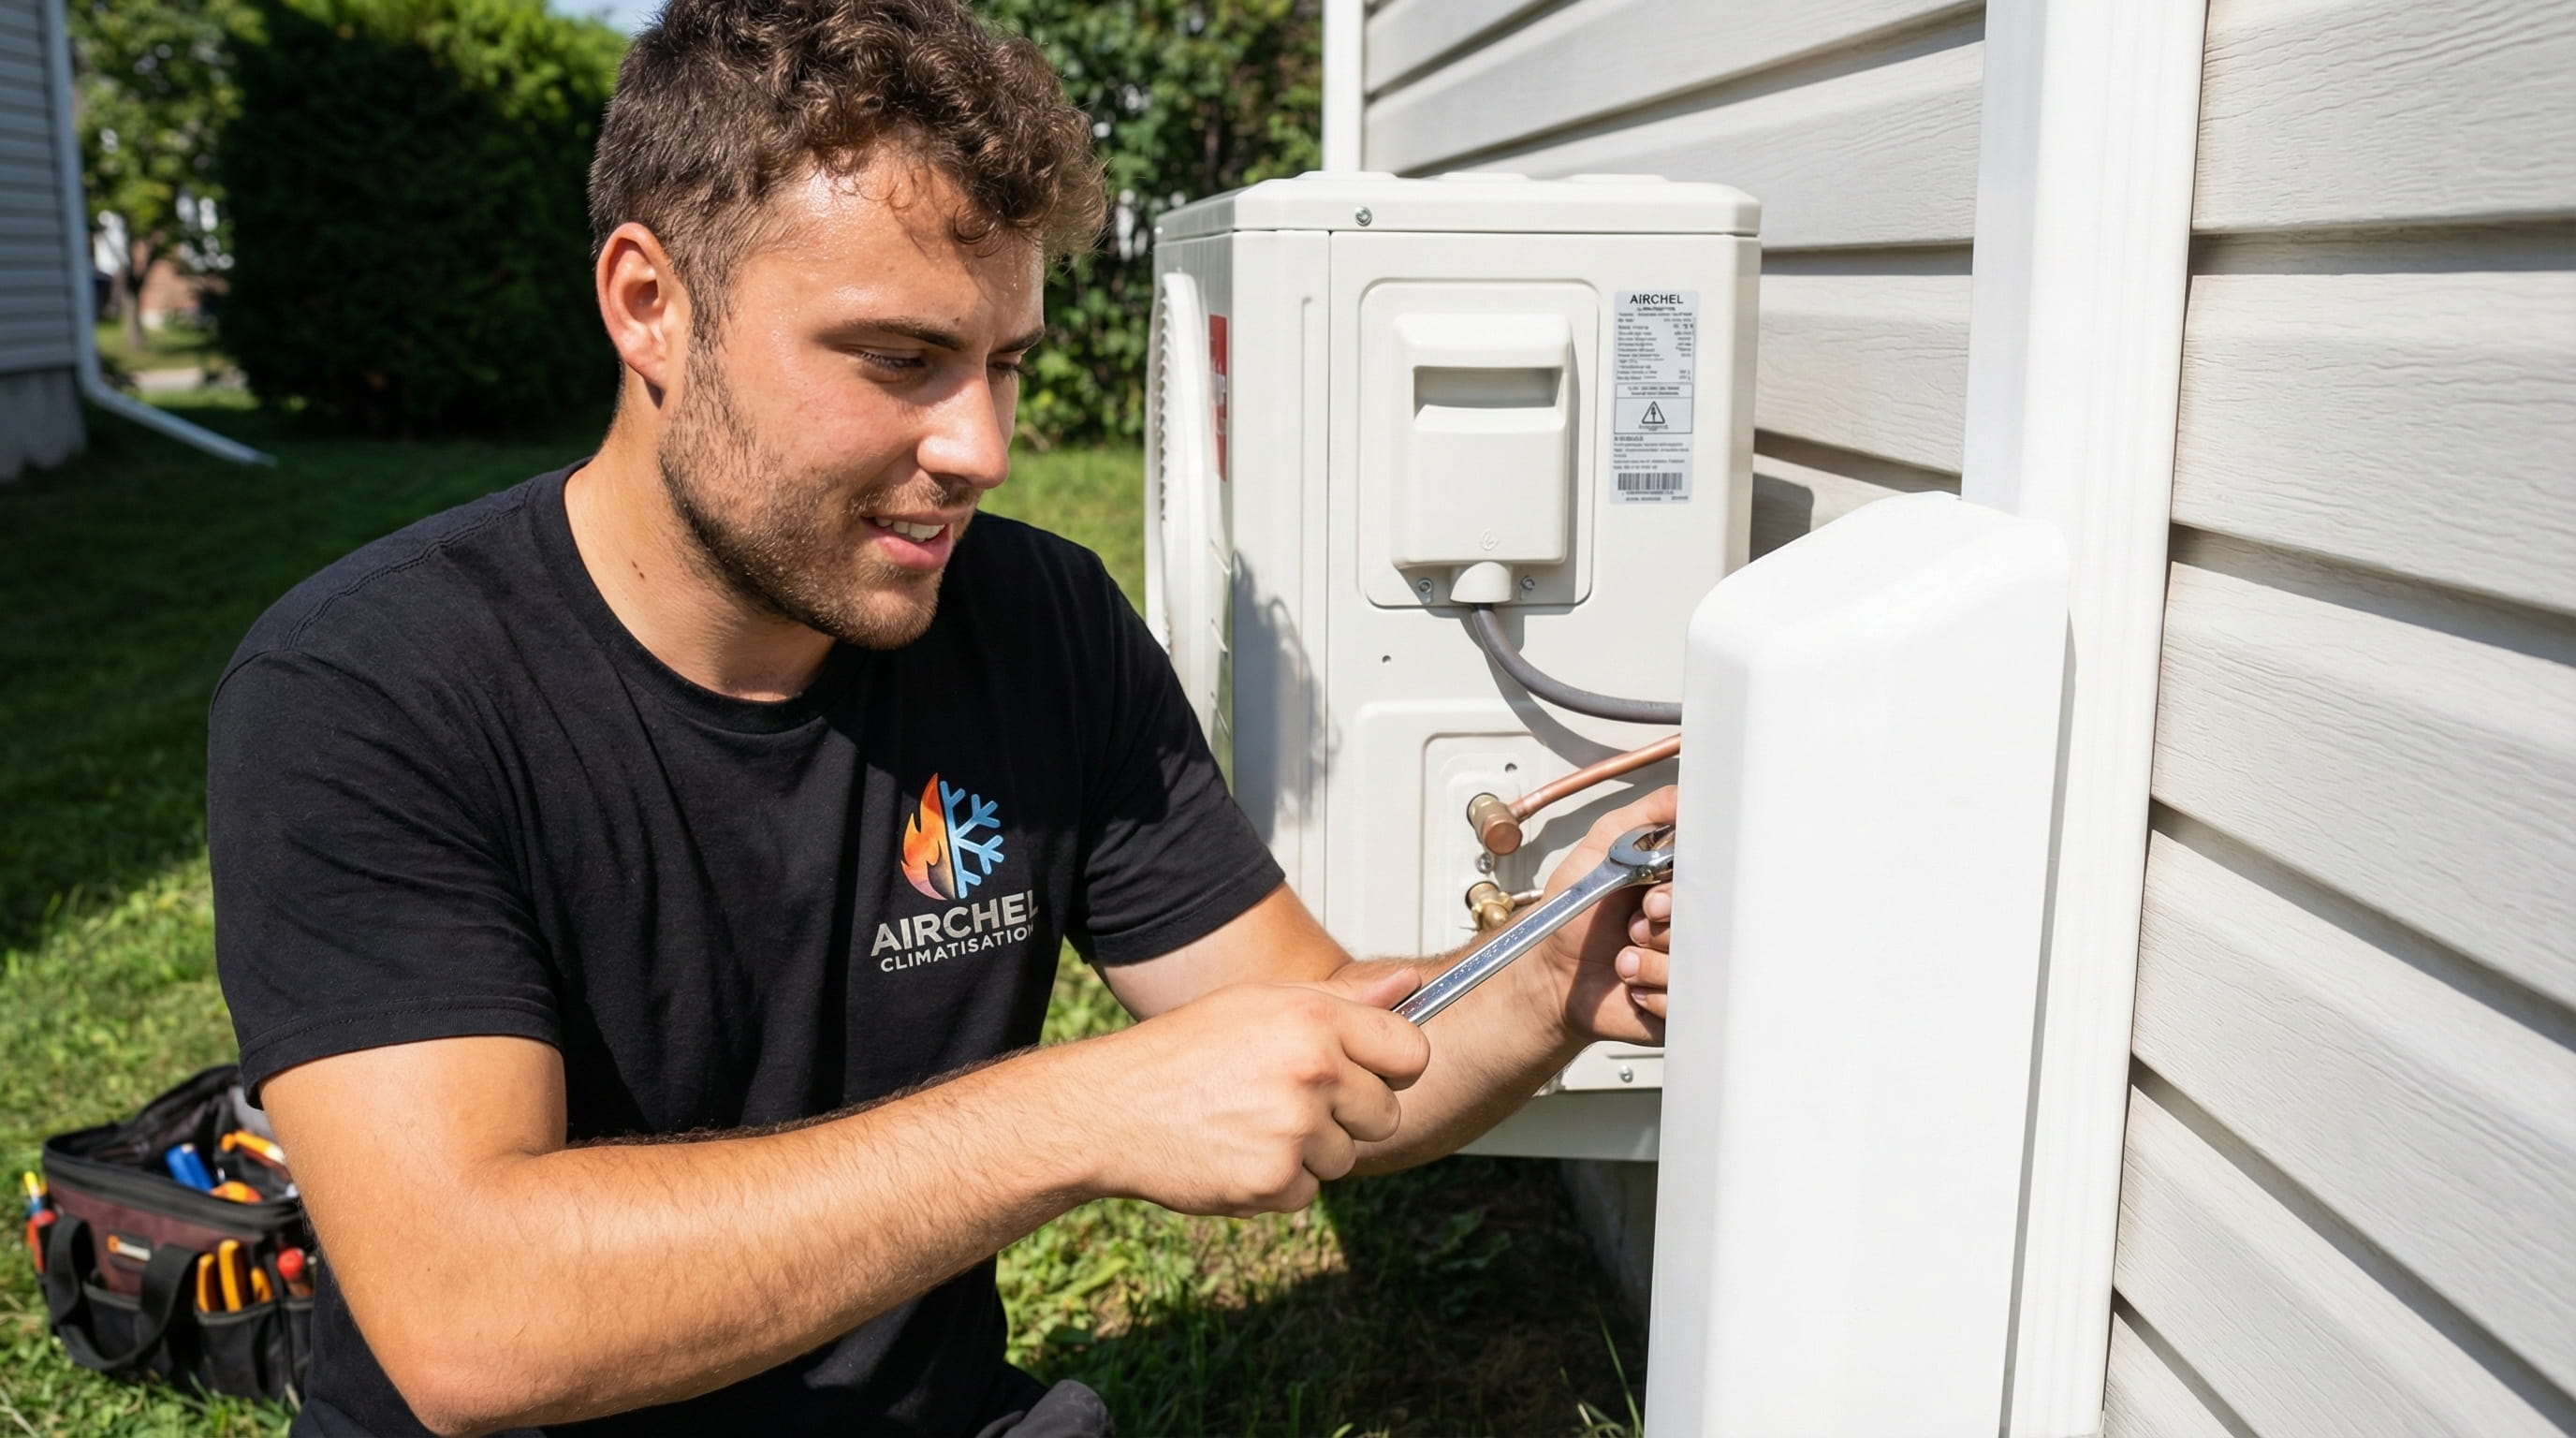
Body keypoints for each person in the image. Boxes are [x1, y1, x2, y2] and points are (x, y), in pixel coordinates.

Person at [206, 0, 1678, 1432]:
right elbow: (473, 1320)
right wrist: (1076, 1116)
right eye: (899, 361)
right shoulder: (370, 690)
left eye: (1004, 365)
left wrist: (1558, 970)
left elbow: (1325, 1038)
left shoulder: (1038, 620)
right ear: (650, 305)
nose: (981, 446)